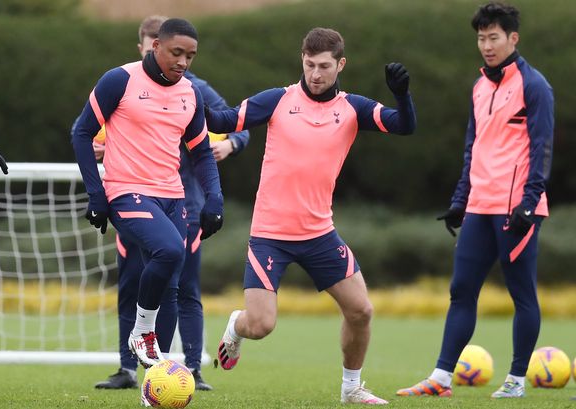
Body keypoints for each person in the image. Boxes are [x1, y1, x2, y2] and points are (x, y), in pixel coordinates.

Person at [207, 27, 416, 405]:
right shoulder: (276, 100)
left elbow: (405, 126)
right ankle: (235, 328)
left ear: (341, 65)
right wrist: (185, 98)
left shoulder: (353, 108)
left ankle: (351, 388)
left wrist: (401, 94)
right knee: (261, 326)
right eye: (309, 65)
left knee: (361, 311)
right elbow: (221, 121)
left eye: (323, 66)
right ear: (301, 60)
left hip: (320, 234)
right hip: (270, 234)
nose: (315, 74)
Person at [396, 2, 553, 399]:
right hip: (480, 207)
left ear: (513, 38)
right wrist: (459, 200)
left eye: (494, 37)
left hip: (516, 209)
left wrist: (529, 203)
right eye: (481, 38)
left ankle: (517, 380)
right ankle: (441, 379)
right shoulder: (480, 85)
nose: (486, 45)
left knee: (522, 294)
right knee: (461, 290)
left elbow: (542, 148)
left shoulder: (534, 86)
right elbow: (473, 146)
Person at [91, 16, 249, 392]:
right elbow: (88, 130)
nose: (180, 61)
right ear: (149, 46)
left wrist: (230, 145)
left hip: (182, 202)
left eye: (188, 55)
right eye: (168, 50)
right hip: (131, 196)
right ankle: (129, 365)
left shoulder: (194, 90)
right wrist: (101, 169)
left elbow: (232, 123)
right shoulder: (122, 82)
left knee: (181, 286)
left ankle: (185, 369)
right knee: (135, 281)